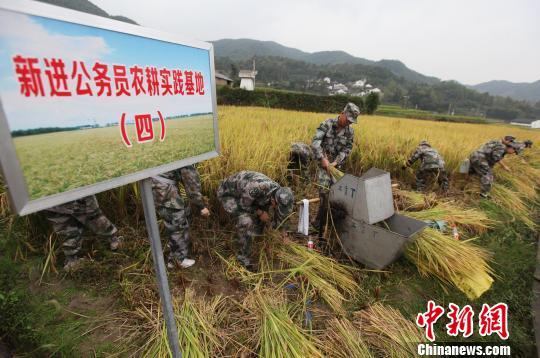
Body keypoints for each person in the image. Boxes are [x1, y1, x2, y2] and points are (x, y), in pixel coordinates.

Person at [217, 171, 294, 270]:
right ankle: (242, 258)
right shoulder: (257, 187)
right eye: (277, 207)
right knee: (246, 221)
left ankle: (255, 239)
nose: (278, 209)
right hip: (230, 195)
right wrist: (260, 213)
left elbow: (282, 214)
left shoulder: (280, 193)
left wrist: (284, 234)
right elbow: (243, 205)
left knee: (264, 214)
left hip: (248, 198)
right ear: (274, 201)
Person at [311, 102, 359, 237]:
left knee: (337, 194)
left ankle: (330, 221)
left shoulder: (350, 132)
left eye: (351, 121)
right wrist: (323, 160)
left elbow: (347, 149)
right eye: (348, 119)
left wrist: (337, 161)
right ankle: (319, 223)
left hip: (336, 167)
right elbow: (315, 143)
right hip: (323, 165)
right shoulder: (327, 124)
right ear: (342, 113)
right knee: (325, 192)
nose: (349, 123)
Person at [152, 165, 210, 269]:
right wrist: (201, 206)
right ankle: (177, 260)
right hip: (163, 188)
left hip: (155, 183)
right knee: (177, 221)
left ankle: (174, 246)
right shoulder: (188, 158)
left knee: (175, 216)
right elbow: (192, 185)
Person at [45, 195, 123, 271]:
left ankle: (114, 239)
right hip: (53, 200)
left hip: (72, 196)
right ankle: (72, 260)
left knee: (94, 218)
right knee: (65, 226)